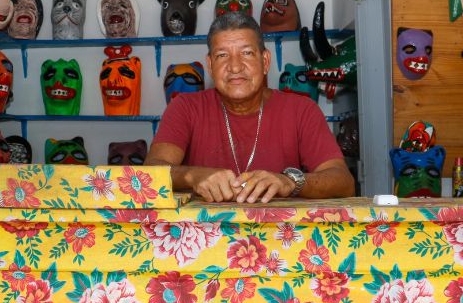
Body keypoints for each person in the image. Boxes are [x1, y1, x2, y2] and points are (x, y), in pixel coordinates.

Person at [147, 12, 356, 203]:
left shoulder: (301, 110)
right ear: (210, 66)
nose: (235, 67)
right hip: (202, 231)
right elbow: (149, 172)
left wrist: (290, 182)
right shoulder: (185, 107)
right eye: (222, 55)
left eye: (246, 53)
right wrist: (192, 176)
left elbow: (343, 181)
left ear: (265, 61)